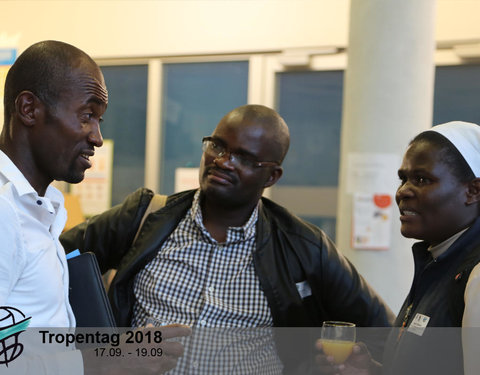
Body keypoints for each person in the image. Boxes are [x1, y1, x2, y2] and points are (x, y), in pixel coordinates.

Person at [61, 104, 394, 373]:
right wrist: (100, 352)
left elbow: (382, 331)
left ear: (272, 175)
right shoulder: (145, 216)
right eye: (218, 146)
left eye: (244, 158)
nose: (222, 161)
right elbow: (51, 263)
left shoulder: (303, 247)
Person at [0, 40, 187, 375]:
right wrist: (103, 362)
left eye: (98, 119)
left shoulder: (40, 208)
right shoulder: (4, 211)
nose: (97, 137)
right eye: (87, 116)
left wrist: (115, 350)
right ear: (29, 109)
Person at [316, 121, 480, 375]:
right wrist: (371, 371)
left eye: (422, 179)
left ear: (473, 191)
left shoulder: (475, 274)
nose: (403, 192)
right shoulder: (437, 261)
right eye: (403, 179)